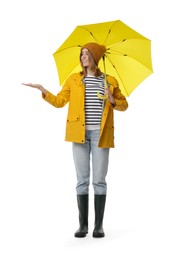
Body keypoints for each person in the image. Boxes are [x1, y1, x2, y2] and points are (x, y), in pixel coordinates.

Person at [22, 42, 128, 238]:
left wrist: (112, 99)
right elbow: (60, 102)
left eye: (87, 53)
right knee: (82, 181)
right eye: (82, 54)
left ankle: (98, 226)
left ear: (96, 57)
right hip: (78, 134)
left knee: (99, 180)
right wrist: (43, 90)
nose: (83, 57)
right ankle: (83, 226)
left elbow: (124, 105)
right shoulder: (74, 80)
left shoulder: (110, 81)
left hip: (101, 134)